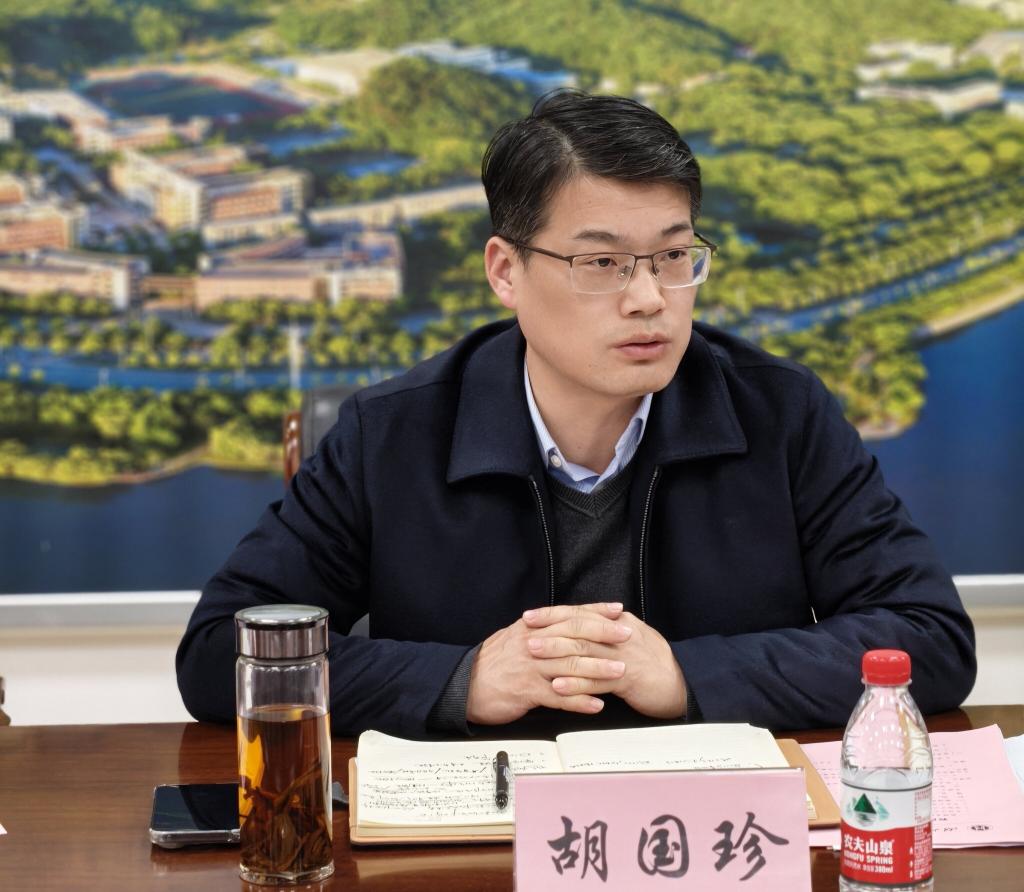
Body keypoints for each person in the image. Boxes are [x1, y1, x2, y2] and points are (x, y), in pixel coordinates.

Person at [176, 92, 976, 738]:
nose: (649, 298)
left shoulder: (781, 412)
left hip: (708, 825)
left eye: (673, 256)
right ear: (506, 271)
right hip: (476, 834)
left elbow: (931, 637)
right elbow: (220, 654)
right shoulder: (389, 433)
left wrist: (687, 675)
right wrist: (462, 680)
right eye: (602, 262)